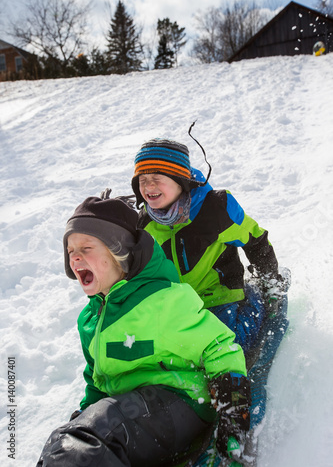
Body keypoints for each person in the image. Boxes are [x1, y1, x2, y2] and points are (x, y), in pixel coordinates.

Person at [36, 196, 252, 467]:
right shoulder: (90, 320)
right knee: (67, 443)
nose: (76, 256)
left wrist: (233, 411)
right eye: (70, 251)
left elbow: (219, 345)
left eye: (87, 247)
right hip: (128, 414)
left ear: (119, 253)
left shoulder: (162, 300)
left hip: (181, 400)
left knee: (85, 442)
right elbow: (97, 379)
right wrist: (84, 417)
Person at [130, 136, 290, 432]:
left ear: (180, 179)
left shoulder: (216, 208)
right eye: (142, 180)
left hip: (220, 295)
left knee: (232, 347)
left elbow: (255, 239)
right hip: (178, 304)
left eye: (157, 178)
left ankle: (255, 300)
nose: (148, 187)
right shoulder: (143, 223)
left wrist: (270, 279)